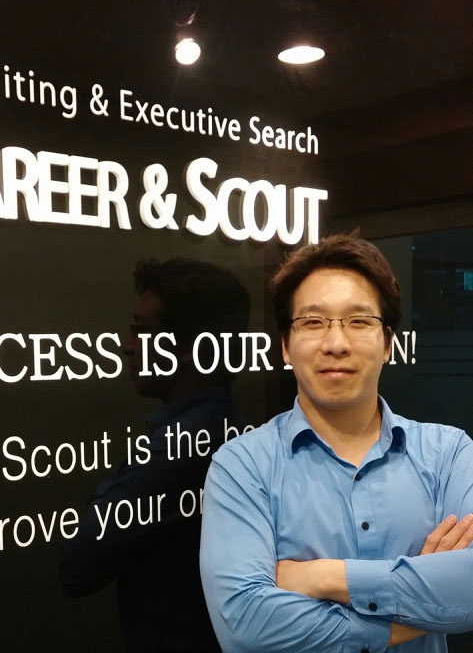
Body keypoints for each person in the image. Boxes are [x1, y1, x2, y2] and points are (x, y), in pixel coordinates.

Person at [200, 234, 473, 653]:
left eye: (359, 321)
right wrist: (419, 607)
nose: (336, 344)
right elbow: (245, 624)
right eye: (313, 322)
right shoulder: (242, 466)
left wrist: (323, 577)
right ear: (285, 347)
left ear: (388, 344)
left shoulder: (448, 454)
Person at [61, 257, 250, 653]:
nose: (127, 347)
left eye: (142, 331)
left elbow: (76, 566)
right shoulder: (225, 426)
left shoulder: (177, 448)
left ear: (192, 347)